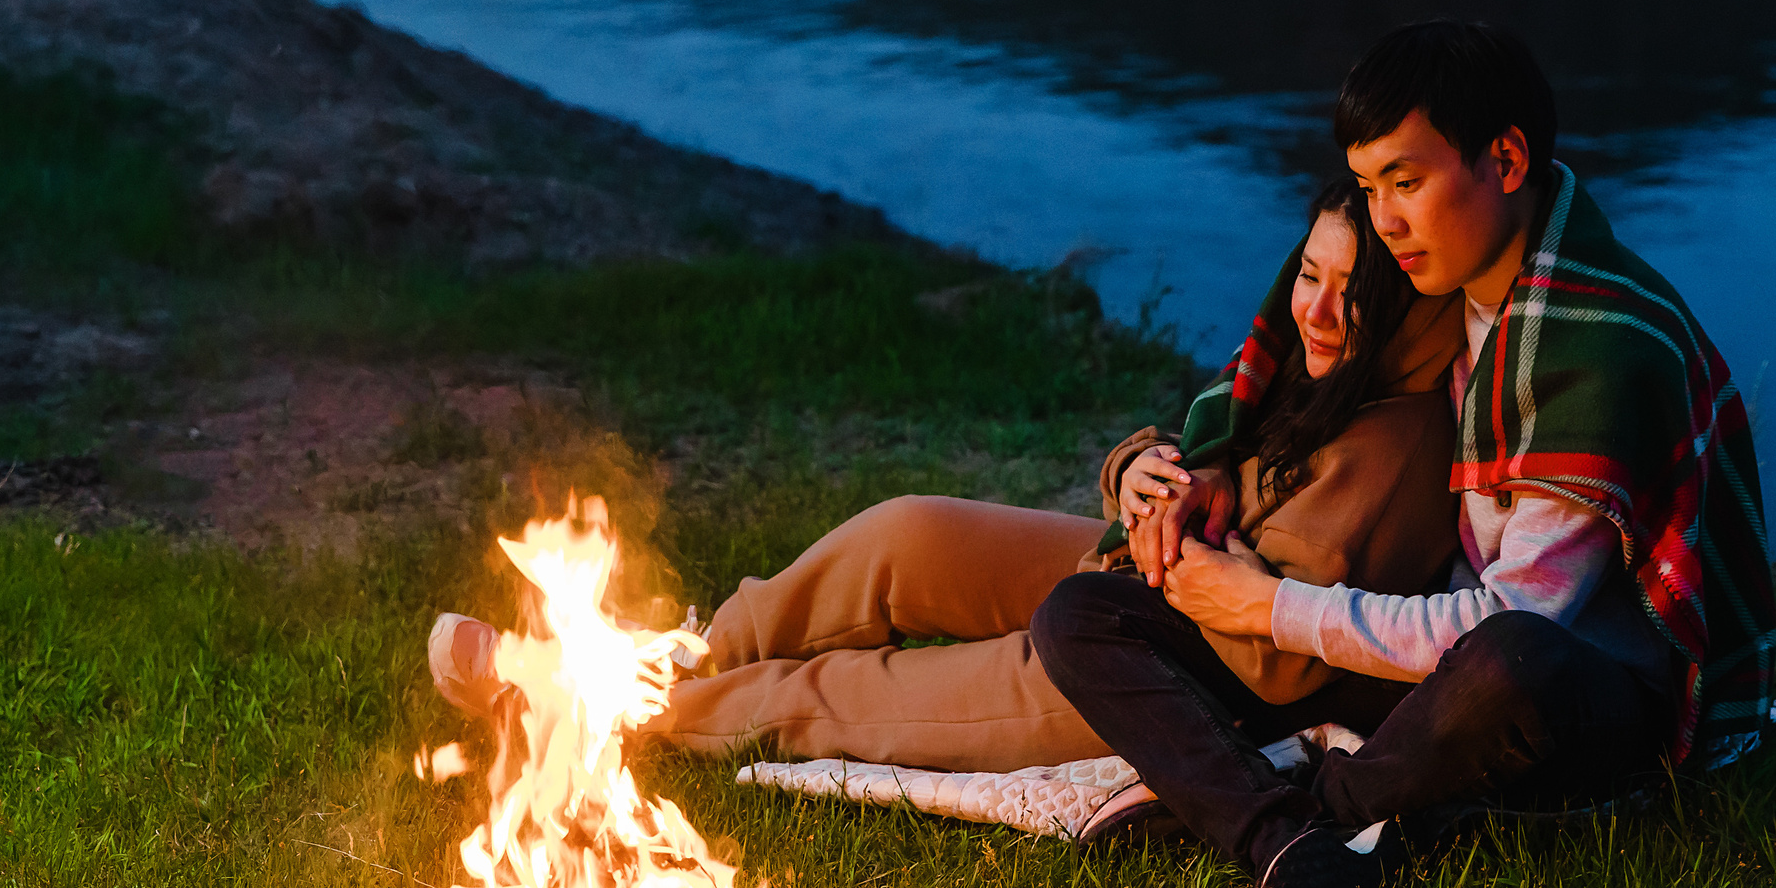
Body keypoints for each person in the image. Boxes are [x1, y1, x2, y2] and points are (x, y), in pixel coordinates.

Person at [1030, 18, 1776, 888]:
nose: (1385, 220)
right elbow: (1284, 349)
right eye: (1370, 185)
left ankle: (1310, 804)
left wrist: (1268, 608)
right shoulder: (1450, 292)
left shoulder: (1597, 345)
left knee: (1511, 661)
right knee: (1078, 615)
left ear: (1505, 160)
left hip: (1575, 700)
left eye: (1408, 181)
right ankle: (1280, 841)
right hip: (1441, 669)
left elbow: (1519, 620)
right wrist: (1202, 466)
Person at [429, 181, 1467, 775]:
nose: (1317, 312)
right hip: (1136, 583)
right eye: (1311, 277)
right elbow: (1187, 459)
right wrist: (1139, 475)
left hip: (1184, 678)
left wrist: (1181, 543)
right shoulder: (1300, 372)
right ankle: (684, 650)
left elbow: (1283, 662)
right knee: (904, 534)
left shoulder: (1401, 446)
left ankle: (591, 701)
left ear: (1408, 302)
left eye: (1352, 292)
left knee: (839, 699)